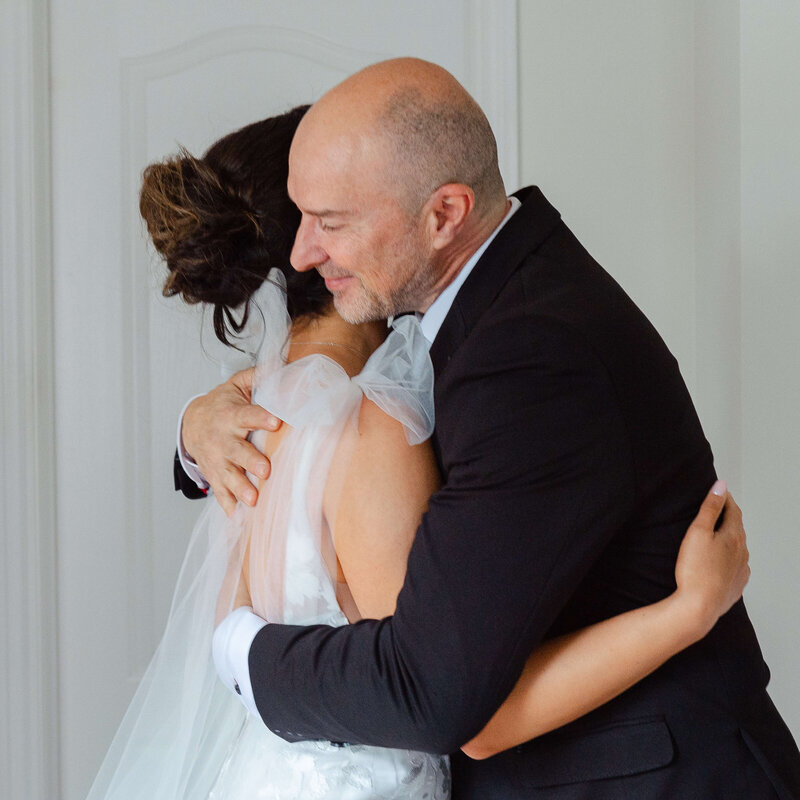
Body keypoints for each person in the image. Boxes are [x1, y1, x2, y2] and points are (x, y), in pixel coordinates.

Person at [87, 107, 749, 800]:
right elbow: (450, 703)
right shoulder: (372, 424)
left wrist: (198, 429)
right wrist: (689, 611)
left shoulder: (263, 414)